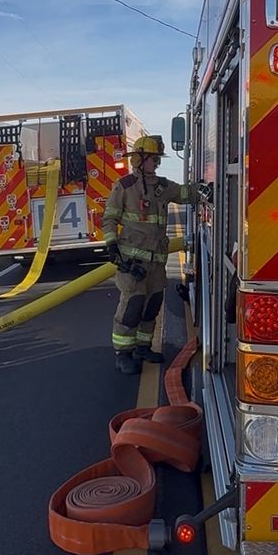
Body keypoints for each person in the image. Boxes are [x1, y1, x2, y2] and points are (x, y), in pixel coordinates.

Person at [102, 135, 202, 375]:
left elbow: (186, 194)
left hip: (157, 263)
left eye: (158, 159)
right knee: (132, 307)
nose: (157, 163)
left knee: (152, 306)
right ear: (139, 159)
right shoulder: (124, 186)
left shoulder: (163, 186)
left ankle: (143, 348)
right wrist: (111, 245)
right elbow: (109, 218)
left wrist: (209, 186)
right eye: (154, 159)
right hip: (132, 263)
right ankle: (123, 353)